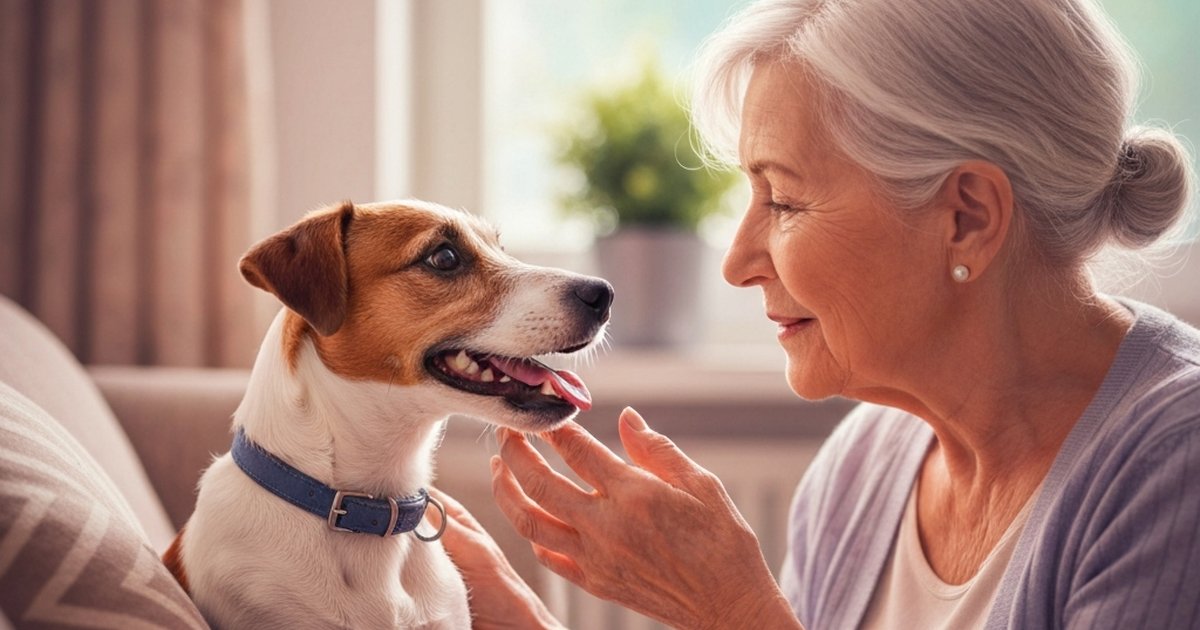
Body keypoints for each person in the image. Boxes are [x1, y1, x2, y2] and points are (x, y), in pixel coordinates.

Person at [437, 0, 1200, 627]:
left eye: (785, 199)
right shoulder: (863, 467)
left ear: (966, 217)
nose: (736, 262)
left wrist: (734, 613)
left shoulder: (1177, 469)